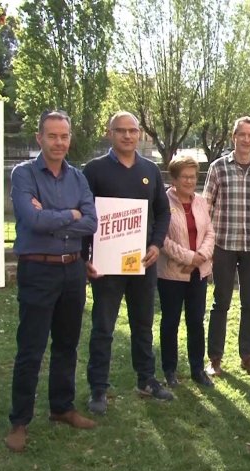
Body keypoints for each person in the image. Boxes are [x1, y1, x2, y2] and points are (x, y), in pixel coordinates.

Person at [6, 110, 98, 453]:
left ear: (69, 138)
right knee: (31, 348)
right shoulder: (24, 174)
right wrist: (70, 215)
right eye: (52, 136)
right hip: (38, 270)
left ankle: (61, 407)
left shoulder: (78, 178)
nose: (59, 142)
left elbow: (90, 222)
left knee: (67, 343)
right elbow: (32, 220)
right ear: (39, 137)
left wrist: (53, 218)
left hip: (73, 270)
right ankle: (19, 420)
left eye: (64, 136)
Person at [82, 111, 173, 415]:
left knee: (143, 324)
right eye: (120, 130)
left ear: (140, 134)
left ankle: (146, 379)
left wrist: (156, 244)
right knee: (103, 327)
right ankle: (98, 388)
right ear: (110, 133)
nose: (127, 136)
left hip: (142, 262)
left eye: (132, 130)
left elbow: (163, 212)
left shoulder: (150, 170)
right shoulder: (94, 170)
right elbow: (84, 214)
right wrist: (86, 256)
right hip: (106, 265)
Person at [202, 116, 250, 376]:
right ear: (234, 137)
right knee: (221, 302)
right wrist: (205, 243)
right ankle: (215, 358)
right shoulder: (218, 167)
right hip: (224, 244)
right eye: (242, 134)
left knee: (249, 303)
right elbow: (206, 205)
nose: (246, 140)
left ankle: (247, 356)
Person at [157, 156, 216, 388]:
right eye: (185, 177)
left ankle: (197, 369)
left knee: (196, 322)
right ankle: (169, 370)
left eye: (193, 176)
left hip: (198, 273)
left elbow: (209, 232)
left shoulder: (200, 202)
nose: (190, 181)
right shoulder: (163, 202)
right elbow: (162, 239)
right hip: (172, 273)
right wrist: (189, 258)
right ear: (174, 179)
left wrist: (200, 256)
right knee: (170, 322)